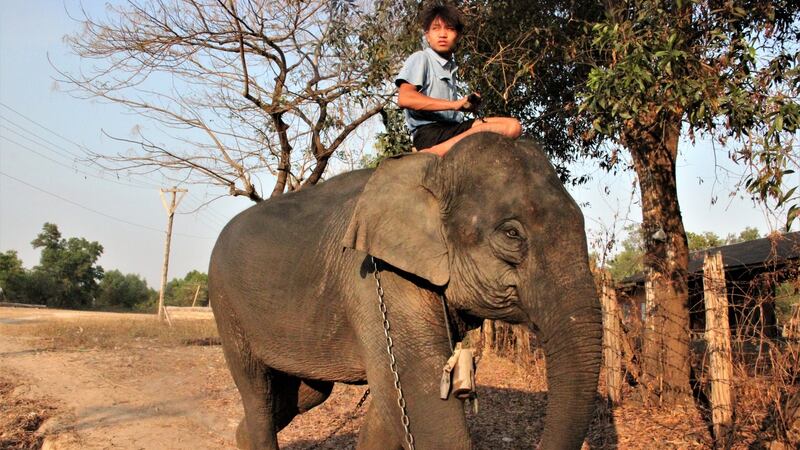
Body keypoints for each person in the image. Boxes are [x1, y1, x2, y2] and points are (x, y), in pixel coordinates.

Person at [395, 4, 522, 156]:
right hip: (430, 134)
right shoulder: (421, 58)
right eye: (436, 28)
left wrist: (467, 105)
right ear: (427, 35)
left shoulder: (450, 68)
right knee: (508, 128)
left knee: (513, 126)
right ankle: (431, 154)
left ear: (459, 35)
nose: (442, 34)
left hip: (452, 129)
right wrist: (454, 105)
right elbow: (405, 98)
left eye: (449, 28)